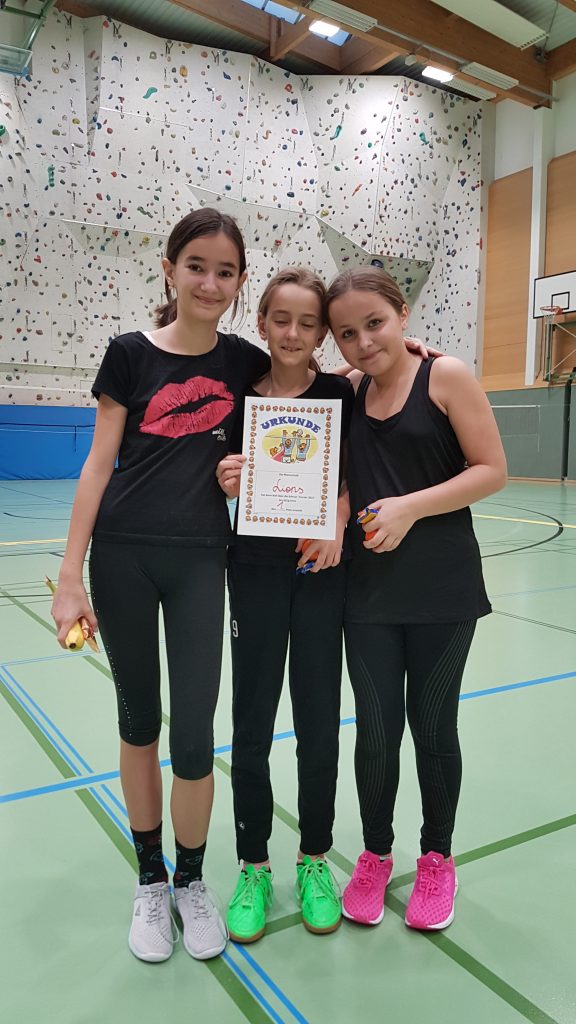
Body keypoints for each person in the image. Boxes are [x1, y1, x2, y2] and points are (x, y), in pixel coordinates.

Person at [51, 208, 270, 963]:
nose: (210, 282)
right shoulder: (128, 355)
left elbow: (317, 379)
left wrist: (410, 348)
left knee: (195, 734)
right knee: (139, 721)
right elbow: (97, 464)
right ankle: (150, 880)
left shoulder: (246, 364)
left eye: (225, 271)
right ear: (170, 270)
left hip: (202, 562)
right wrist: (69, 577)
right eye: (196, 266)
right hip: (123, 560)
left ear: (240, 282)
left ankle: (191, 880)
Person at [325, 267, 507, 931]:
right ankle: (375, 853)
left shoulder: (446, 375)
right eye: (347, 333)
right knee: (376, 733)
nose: (364, 341)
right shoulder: (347, 391)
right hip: (367, 594)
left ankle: (437, 857)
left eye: (375, 323)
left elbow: (492, 470)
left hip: (443, 591)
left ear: (403, 313)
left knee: (433, 729)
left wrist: (409, 507)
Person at [215, 268, 354, 942]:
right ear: (262, 322)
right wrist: (226, 477)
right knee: (252, 722)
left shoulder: (339, 394)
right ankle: (253, 866)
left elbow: (353, 474)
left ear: (322, 332)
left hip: (320, 573)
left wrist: (338, 517)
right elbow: (220, 473)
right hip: (254, 573)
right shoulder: (240, 396)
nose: (293, 332)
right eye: (281, 319)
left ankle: (315, 859)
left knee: (319, 722)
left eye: (307, 322)